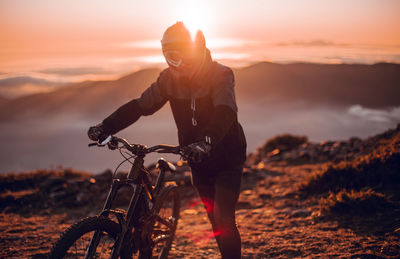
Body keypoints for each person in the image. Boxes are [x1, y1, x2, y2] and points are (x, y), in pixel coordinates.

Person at [88, 22, 247, 259]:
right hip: (197, 158)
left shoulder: (221, 75)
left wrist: (206, 141)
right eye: (173, 58)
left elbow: (225, 112)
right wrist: (106, 126)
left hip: (226, 156)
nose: (181, 65)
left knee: (224, 216)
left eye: (188, 56)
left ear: (199, 51)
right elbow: (140, 106)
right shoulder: (169, 80)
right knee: (214, 218)